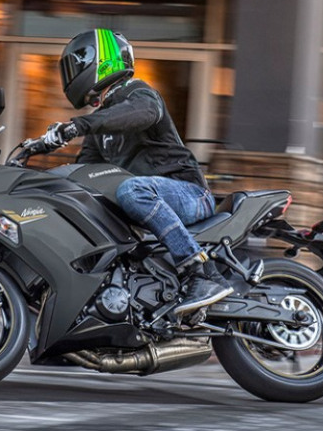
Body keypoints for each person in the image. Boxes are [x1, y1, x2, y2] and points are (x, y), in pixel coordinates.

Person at [39, 29, 233, 315]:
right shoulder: (100, 125)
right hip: (154, 201)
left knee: (131, 190)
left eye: (75, 66)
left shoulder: (138, 93)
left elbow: (143, 113)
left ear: (98, 60)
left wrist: (77, 126)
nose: (70, 75)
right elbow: (81, 173)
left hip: (189, 193)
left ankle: (201, 271)